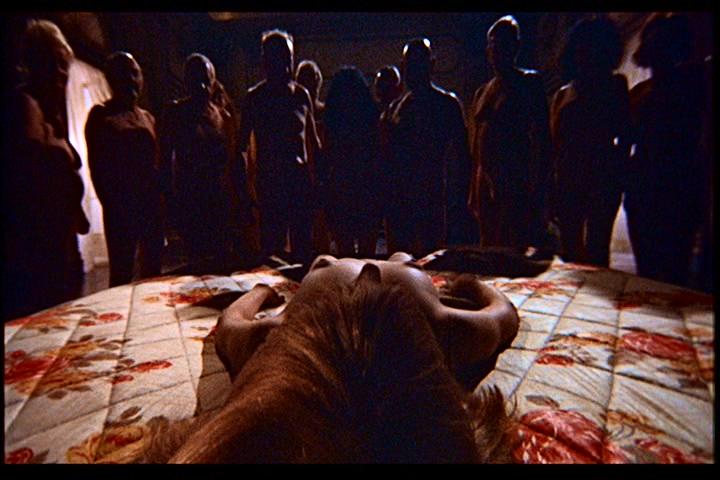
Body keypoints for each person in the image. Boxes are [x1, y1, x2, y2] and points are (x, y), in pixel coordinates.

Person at [139, 252, 519, 463]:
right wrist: (469, 285)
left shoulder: (271, 337)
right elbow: (503, 315)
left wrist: (261, 291)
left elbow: (228, 324)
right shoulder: (447, 328)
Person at [2, 19, 89, 320]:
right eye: (51, 62)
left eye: (64, 64)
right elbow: (32, 171)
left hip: (62, 247)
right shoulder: (24, 106)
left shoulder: (51, 113)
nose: (60, 73)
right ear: (32, 63)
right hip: (37, 254)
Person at [625, 14, 709, 286]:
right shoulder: (642, 93)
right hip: (648, 186)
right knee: (653, 271)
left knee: (670, 271)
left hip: (676, 186)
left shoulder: (695, 86)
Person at [550, 17, 630, 267]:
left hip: (602, 175)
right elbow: (555, 143)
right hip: (570, 175)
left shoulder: (615, 86)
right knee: (570, 247)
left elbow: (625, 134)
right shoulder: (564, 94)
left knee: (597, 247)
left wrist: (618, 173)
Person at [467, 16, 552, 252]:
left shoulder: (528, 83)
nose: (497, 51)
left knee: (513, 245)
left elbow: (542, 136)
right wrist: (474, 187)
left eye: (503, 44)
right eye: (493, 45)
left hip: (515, 176)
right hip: (484, 179)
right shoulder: (482, 92)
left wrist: (539, 184)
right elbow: (477, 143)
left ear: (515, 47)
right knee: (488, 245)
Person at [238, 30, 321, 265]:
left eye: (288, 56)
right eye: (278, 56)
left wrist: (320, 184)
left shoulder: (301, 95)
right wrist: (244, 191)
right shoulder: (255, 98)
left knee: (303, 252)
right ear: (265, 61)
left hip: (299, 185)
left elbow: (314, 143)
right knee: (272, 256)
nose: (285, 63)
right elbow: (241, 148)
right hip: (270, 185)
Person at [385, 38, 474, 258]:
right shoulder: (396, 108)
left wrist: (460, 198)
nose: (412, 71)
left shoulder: (446, 105)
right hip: (401, 198)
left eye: (418, 64)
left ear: (431, 65)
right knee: (402, 262)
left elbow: (463, 157)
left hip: (432, 195)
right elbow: (387, 157)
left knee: (431, 259)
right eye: (409, 65)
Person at [85, 52, 163, 286]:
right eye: (123, 74)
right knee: (122, 273)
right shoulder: (101, 116)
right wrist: (113, 206)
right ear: (111, 78)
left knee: (153, 272)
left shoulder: (148, 118)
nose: (131, 80)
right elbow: (97, 168)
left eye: (135, 73)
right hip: (121, 208)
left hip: (150, 206)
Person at [159, 53, 239, 267]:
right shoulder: (175, 114)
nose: (201, 86)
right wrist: (169, 203)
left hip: (219, 201)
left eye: (206, 79)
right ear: (186, 81)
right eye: (195, 79)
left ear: (213, 81)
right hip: (190, 200)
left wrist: (236, 200)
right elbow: (164, 160)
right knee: (196, 263)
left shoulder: (223, 117)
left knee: (221, 262)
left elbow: (231, 160)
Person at [321, 66, 381, 257]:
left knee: (345, 249)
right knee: (367, 250)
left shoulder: (333, 117)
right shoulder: (370, 114)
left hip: (341, 183)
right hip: (368, 182)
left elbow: (327, 151)